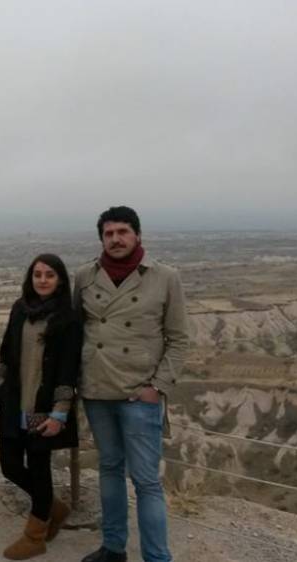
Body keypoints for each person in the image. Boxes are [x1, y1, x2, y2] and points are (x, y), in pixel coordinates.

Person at [75, 206, 190, 562]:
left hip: (139, 394)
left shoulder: (165, 277)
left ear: (137, 235)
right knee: (109, 469)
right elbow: (74, 331)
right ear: (101, 239)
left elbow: (178, 339)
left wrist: (158, 386)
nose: (116, 239)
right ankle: (113, 548)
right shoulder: (85, 276)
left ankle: (157, 557)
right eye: (109, 233)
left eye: (122, 231)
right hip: (97, 391)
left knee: (146, 481)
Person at [0, 254, 81, 560]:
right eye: (38, 274)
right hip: (14, 404)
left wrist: (60, 412)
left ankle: (35, 537)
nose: (42, 280)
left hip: (41, 410)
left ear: (60, 280)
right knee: (10, 465)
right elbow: (6, 350)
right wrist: (1, 381)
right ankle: (53, 508)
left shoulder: (68, 319)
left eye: (49, 275)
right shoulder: (20, 309)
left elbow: (69, 369)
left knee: (38, 468)